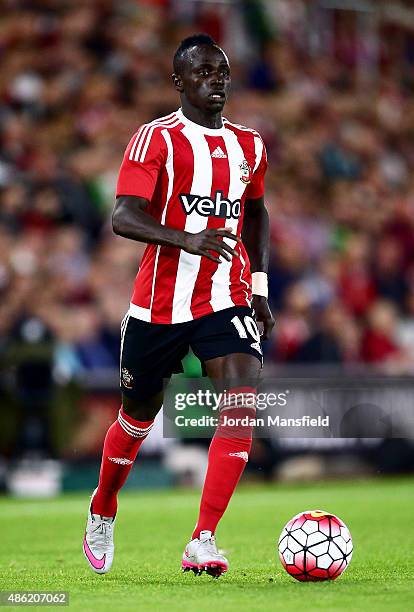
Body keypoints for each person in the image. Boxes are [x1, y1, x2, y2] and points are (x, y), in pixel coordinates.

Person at [83, 33, 274, 578]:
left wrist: (258, 285)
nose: (216, 80)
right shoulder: (156, 139)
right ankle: (102, 505)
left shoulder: (250, 145)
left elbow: (257, 213)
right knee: (138, 415)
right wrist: (187, 238)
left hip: (226, 294)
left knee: (241, 397)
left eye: (223, 72)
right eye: (204, 72)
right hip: (159, 303)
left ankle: (203, 539)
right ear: (180, 81)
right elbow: (124, 216)